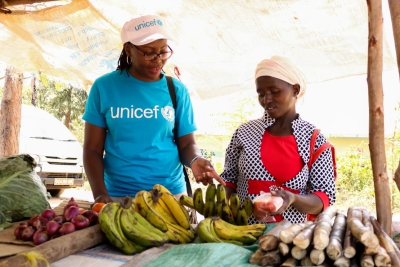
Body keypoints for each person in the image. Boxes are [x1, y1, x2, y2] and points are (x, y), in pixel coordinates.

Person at [82, 14, 224, 204]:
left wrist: (195, 160)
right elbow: (92, 149)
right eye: (149, 52)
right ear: (128, 49)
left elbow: (186, 144)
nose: (158, 60)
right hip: (118, 196)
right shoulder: (104, 87)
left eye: (163, 51)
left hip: (170, 195)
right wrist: (100, 194)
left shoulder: (176, 90)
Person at [219, 56, 336, 224]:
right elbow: (228, 180)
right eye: (261, 94)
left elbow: (324, 198)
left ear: (295, 90)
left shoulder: (313, 139)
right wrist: (222, 204)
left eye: (274, 91)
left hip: (291, 239)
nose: (266, 100)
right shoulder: (243, 133)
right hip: (242, 233)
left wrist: (293, 199)